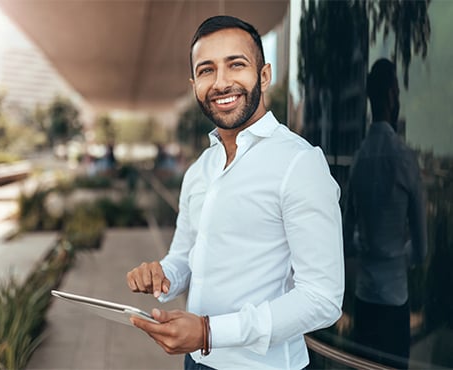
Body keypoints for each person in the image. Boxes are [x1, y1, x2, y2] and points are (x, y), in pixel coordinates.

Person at [126, 15, 344, 369]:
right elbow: (184, 256)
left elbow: (322, 299)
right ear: (194, 83)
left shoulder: (299, 163)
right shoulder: (199, 170)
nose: (222, 82)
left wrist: (210, 332)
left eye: (236, 65)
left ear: (264, 75)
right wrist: (162, 274)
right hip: (196, 361)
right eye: (207, 70)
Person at [343, 58, 427, 368]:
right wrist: (397, 253)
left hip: (365, 300)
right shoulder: (404, 159)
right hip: (394, 302)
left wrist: (369, 246)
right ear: (393, 95)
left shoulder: (358, 161)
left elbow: (346, 240)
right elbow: (421, 249)